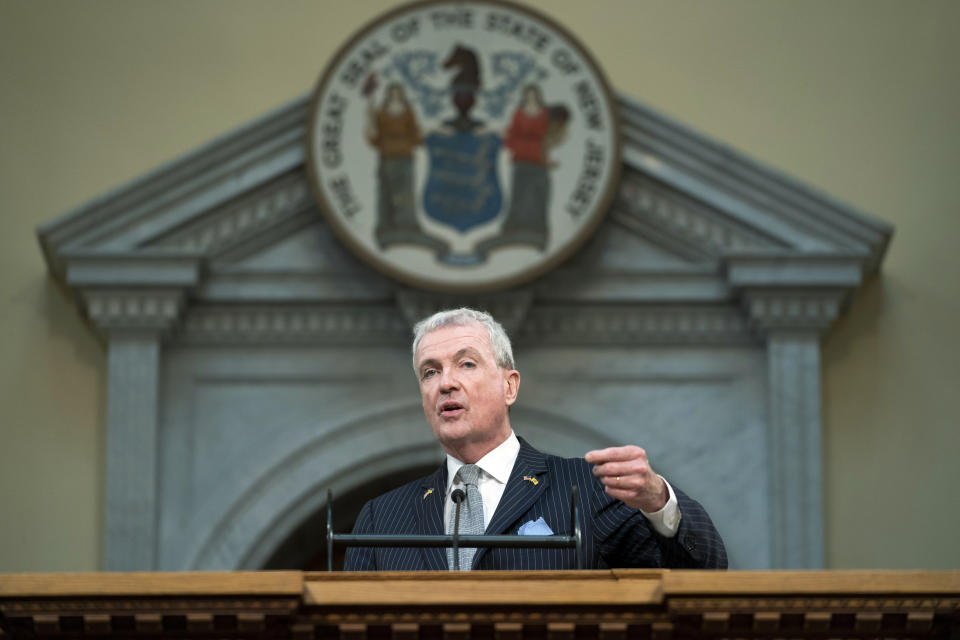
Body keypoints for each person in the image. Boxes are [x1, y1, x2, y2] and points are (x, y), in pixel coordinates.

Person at [344, 308, 727, 571]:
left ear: (509, 386)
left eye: (466, 364)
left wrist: (658, 501)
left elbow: (702, 570)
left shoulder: (590, 491)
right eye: (430, 372)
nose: (446, 383)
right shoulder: (381, 518)